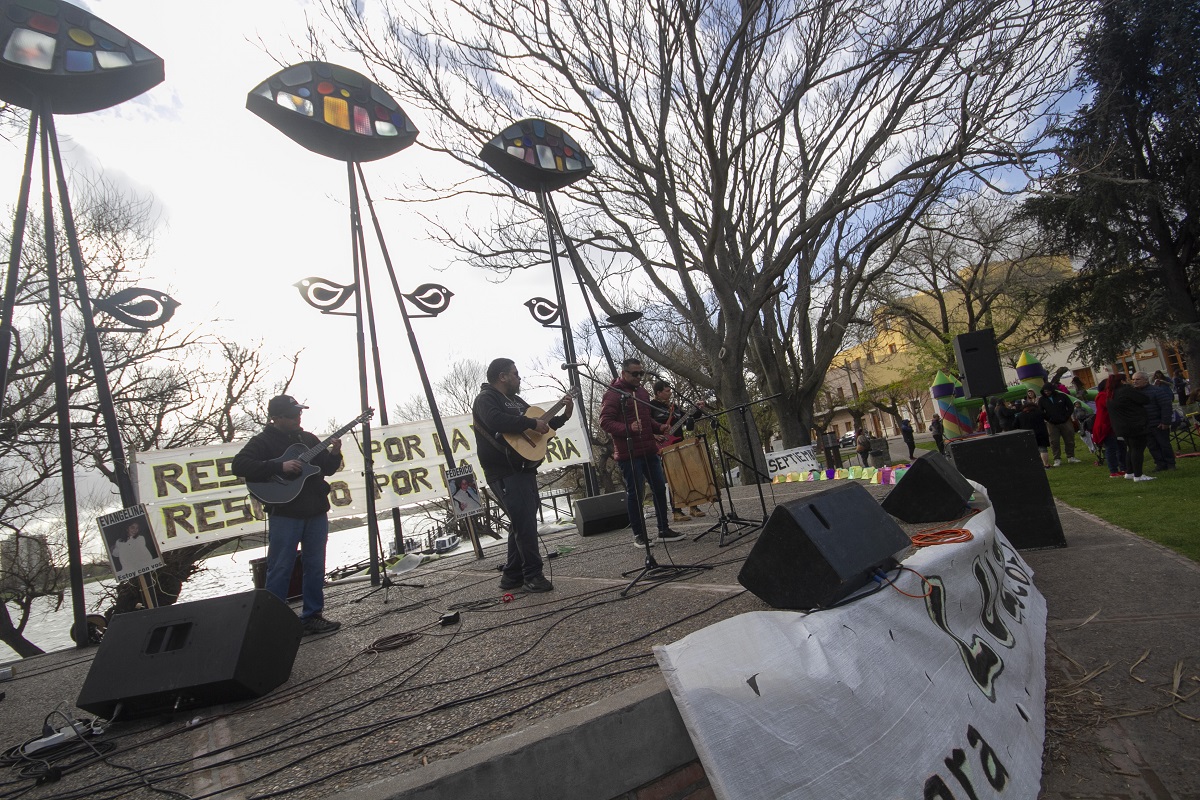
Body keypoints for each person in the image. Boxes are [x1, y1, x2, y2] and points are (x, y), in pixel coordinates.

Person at [232, 395, 343, 635]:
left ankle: (313, 616)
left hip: (315, 510)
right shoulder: (262, 441)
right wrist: (278, 467)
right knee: (280, 567)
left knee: (315, 566)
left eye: (299, 414)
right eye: (292, 415)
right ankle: (275, 623)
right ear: (276, 418)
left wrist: (334, 453)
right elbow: (239, 465)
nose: (298, 418)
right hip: (285, 513)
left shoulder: (308, 438)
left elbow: (327, 468)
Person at [472, 358, 573, 592]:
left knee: (521, 521)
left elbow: (541, 427)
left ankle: (512, 575)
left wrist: (565, 415)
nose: (519, 378)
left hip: (523, 468)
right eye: (515, 373)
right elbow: (495, 420)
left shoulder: (516, 401)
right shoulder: (486, 399)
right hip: (503, 470)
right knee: (524, 522)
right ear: (502, 376)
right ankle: (532, 576)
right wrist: (530, 422)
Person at [599, 358, 685, 548]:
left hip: (649, 449)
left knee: (659, 489)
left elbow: (646, 420)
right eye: (635, 374)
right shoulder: (613, 395)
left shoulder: (643, 393)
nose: (639, 377)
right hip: (628, 454)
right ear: (624, 374)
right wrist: (628, 427)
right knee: (635, 494)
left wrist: (659, 427)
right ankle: (639, 534)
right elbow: (605, 422)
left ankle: (664, 529)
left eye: (641, 373)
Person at [648, 380, 707, 521]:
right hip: (664, 446)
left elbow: (688, 419)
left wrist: (697, 409)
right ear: (658, 392)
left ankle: (694, 506)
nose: (670, 393)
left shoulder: (674, 407)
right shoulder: (650, 406)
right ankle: (677, 511)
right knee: (674, 477)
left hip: (680, 443)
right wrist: (655, 437)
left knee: (689, 474)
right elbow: (647, 426)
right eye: (667, 391)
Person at [1108, 372, 1154, 481]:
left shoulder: (1112, 393)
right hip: (1134, 425)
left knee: (1131, 448)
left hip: (1121, 426)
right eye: (1128, 379)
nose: (1131, 381)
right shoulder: (1126, 390)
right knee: (1137, 449)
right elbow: (1144, 399)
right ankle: (1138, 475)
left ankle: (1129, 472)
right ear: (1123, 381)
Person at [1138, 370, 1176, 472]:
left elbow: (1166, 406)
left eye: (1138, 379)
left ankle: (1170, 463)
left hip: (1158, 423)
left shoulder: (1157, 391)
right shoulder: (1135, 393)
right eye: (1133, 380)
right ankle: (1160, 464)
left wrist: (1165, 421)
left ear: (1145, 380)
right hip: (1145, 425)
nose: (1135, 382)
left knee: (1164, 444)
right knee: (1152, 446)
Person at [1037, 384, 1079, 466]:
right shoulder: (1042, 400)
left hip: (1065, 421)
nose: (1047, 393)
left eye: (1048, 391)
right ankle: (1057, 459)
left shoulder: (1062, 396)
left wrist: (1066, 416)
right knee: (1054, 441)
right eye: (1045, 391)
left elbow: (1070, 406)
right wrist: (1049, 419)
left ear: (1052, 390)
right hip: (1051, 423)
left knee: (1069, 439)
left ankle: (1071, 457)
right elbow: (1041, 411)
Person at [1093, 376, 1126, 476]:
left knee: (1121, 447)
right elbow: (1111, 406)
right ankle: (1113, 470)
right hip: (1106, 426)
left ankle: (1124, 468)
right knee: (1111, 448)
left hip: (1113, 425)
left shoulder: (1107, 395)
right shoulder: (1102, 396)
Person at [1015, 401, 1051, 467]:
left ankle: (1035, 465)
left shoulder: (1020, 415)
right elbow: (1048, 418)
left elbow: (1015, 425)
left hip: (1027, 434)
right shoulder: (1039, 412)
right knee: (1043, 449)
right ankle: (1046, 464)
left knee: (1031, 450)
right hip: (1041, 433)